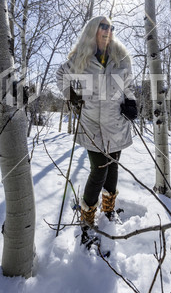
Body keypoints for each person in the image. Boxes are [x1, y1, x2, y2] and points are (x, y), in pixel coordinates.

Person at [56, 16, 137, 240]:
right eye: (103, 26)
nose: (107, 30)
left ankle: (109, 211)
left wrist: (131, 102)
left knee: (112, 167)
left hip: (115, 122)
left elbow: (128, 84)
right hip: (91, 122)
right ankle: (87, 219)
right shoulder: (82, 56)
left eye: (111, 27)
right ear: (93, 30)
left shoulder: (121, 57)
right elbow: (60, 75)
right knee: (99, 170)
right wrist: (72, 97)